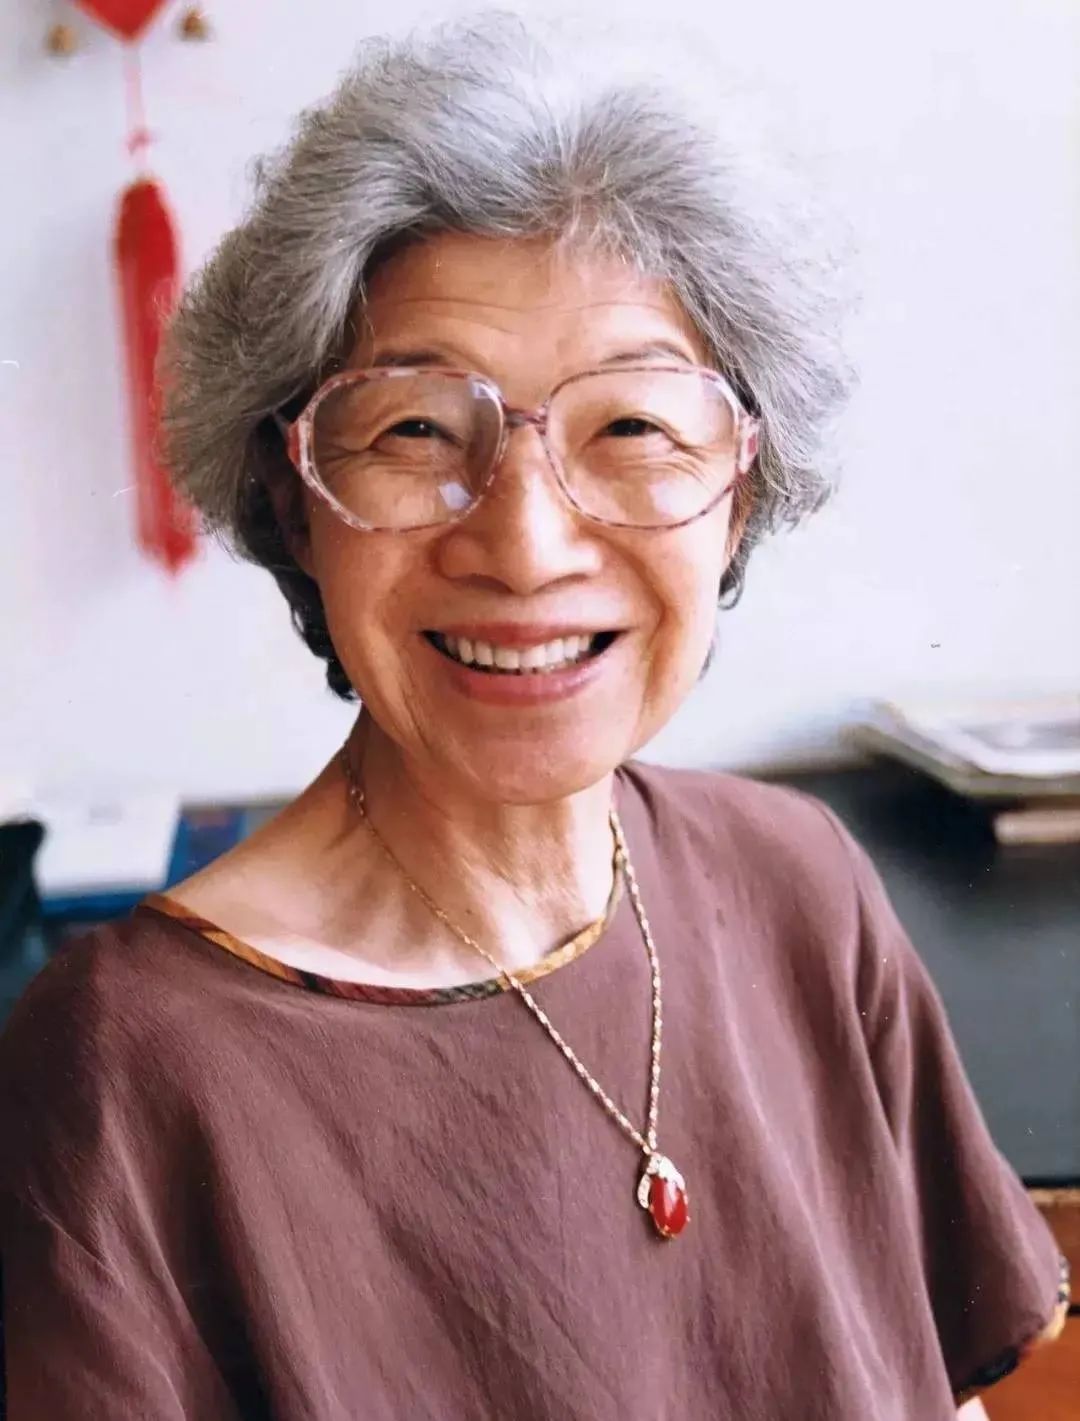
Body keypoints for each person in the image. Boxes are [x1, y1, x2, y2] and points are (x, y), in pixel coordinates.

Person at [0, 16, 1068, 1419]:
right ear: (291, 497)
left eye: (632, 427)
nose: (524, 545)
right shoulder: (126, 1072)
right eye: (414, 429)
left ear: (740, 489)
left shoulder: (801, 884)